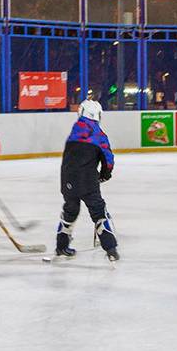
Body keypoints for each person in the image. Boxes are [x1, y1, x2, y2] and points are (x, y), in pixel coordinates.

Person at [55, 99, 119, 262]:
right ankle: (110, 249)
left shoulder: (74, 132)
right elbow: (108, 160)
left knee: (70, 211)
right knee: (98, 212)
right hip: (88, 181)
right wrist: (105, 174)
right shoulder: (99, 135)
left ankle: (61, 246)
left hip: (67, 179)